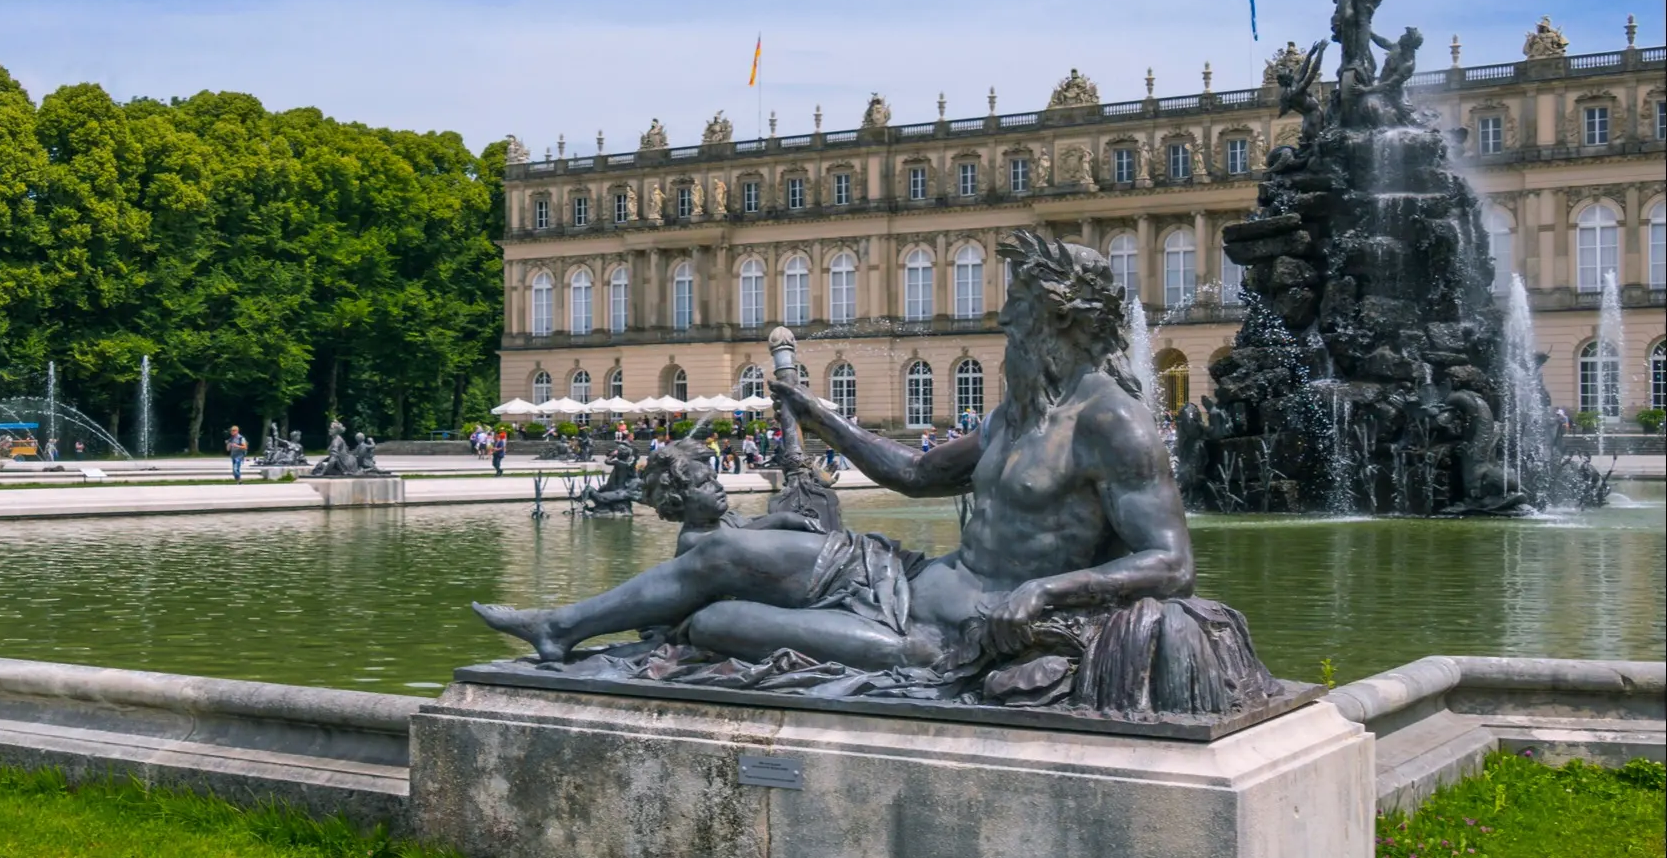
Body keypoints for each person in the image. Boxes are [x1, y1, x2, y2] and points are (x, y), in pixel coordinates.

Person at [472, 231, 1237, 715]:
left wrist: (1044, 590)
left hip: (946, 637)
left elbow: (1170, 562)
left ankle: (583, 634)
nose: (1001, 320)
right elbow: (914, 474)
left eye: (1018, 309)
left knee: (714, 622)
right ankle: (558, 625)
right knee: (720, 554)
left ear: (1061, 320)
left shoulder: (1111, 421)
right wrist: (815, 412)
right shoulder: (1018, 409)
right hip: (900, 578)